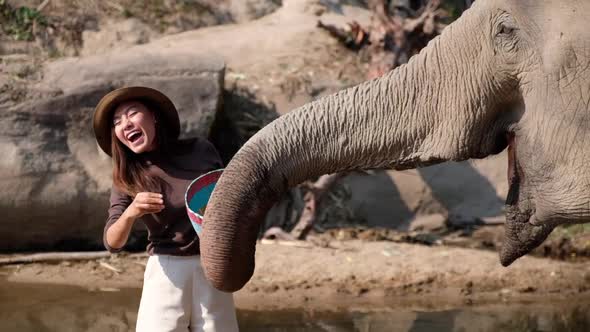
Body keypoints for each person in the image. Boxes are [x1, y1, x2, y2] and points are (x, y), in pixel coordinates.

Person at [92, 86, 239, 332]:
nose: (125, 124)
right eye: (117, 122)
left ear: (154, 116)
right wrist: (131, 212)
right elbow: (112, 243)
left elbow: (228, 200)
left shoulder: (200, 150)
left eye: (132, 113)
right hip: (166, 270)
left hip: (211, 264)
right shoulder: (126, 177)